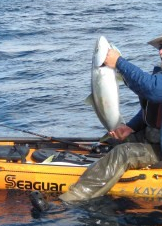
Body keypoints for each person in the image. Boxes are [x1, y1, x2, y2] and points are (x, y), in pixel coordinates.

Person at [59, 35, 162, 202]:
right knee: (114, 141)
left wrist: (119, 62)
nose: (161, 51)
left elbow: (152, 90)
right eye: (160, 47)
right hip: (154, 138)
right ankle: (97, 170)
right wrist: (131, 127)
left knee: (124, 153)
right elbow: (152, 108)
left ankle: (74, 198)